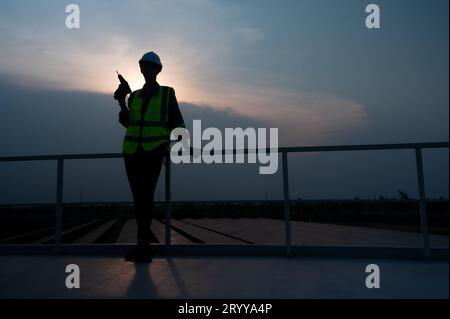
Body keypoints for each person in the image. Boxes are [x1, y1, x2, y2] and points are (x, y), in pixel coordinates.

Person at [114, 51, 185, 262]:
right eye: (145, 66)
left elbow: (177, 122)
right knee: (139, 199)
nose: (148, 70)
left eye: (152, 67)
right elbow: (128, 123)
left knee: (146, 197)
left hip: (153, 153)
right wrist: (121, 101)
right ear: (141, 69)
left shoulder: (166, 93)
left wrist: (180, 144)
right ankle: (142, 244)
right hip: (132, 153)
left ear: (158, 70)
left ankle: (144, 246)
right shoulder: (134, 96)